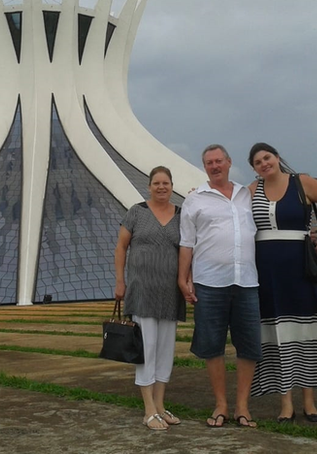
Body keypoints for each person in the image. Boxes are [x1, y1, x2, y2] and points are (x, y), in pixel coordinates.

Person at [247, 142, 317, 423]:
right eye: (257, 162)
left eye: (267, 157)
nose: (264, 164)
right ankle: (285, 404)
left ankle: (309, 402)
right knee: (278, 335)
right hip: (266, 272)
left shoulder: (301, 182)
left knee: (306, 332)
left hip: (300, 269)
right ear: (254, 168)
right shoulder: (252, 191)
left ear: (277, 157)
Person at [178, 144, 262, 429]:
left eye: (218, 161)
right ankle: (221, 404)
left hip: (247, 281)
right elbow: (187, 243)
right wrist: (183, 277)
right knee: (212, 345)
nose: (214, 166)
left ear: (229, 162)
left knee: (248, 345)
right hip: (209, 282)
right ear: (204, 167)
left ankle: (242, 406)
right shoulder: (195, 199)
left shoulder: (245, 195)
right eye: (209, 162)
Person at [115, 166, 186, 430]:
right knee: (146, 349)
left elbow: (188, 249)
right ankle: (148, 410)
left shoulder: (181, 215)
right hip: (142, 290)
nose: (161, 187)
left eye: (166, 183)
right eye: (156, 183)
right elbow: (121, 246)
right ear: (149, 186)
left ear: (171, 185)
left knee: (165, 350)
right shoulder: (137, 212)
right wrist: (120, 281)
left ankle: (160, 405)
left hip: (170, 293)